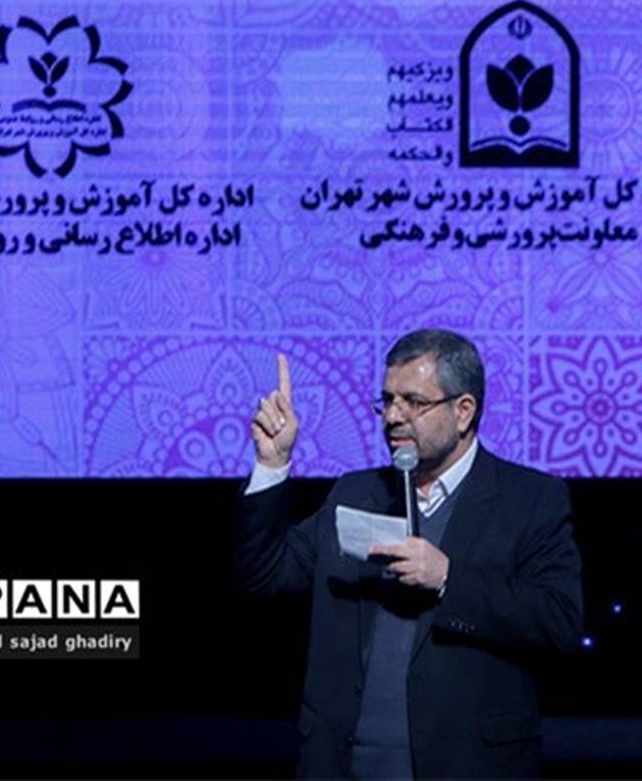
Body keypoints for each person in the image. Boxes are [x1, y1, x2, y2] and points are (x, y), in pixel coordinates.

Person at [235, 328, 583, 779]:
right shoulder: (354, 493)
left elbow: (559, 621)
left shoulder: (530, 500)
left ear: (463, 411)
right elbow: (264, 575)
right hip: (342, 764)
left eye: (414, 402)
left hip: (466, 766)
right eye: (387, 400)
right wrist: (272, 464)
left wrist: (448, 579)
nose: (393, 417)